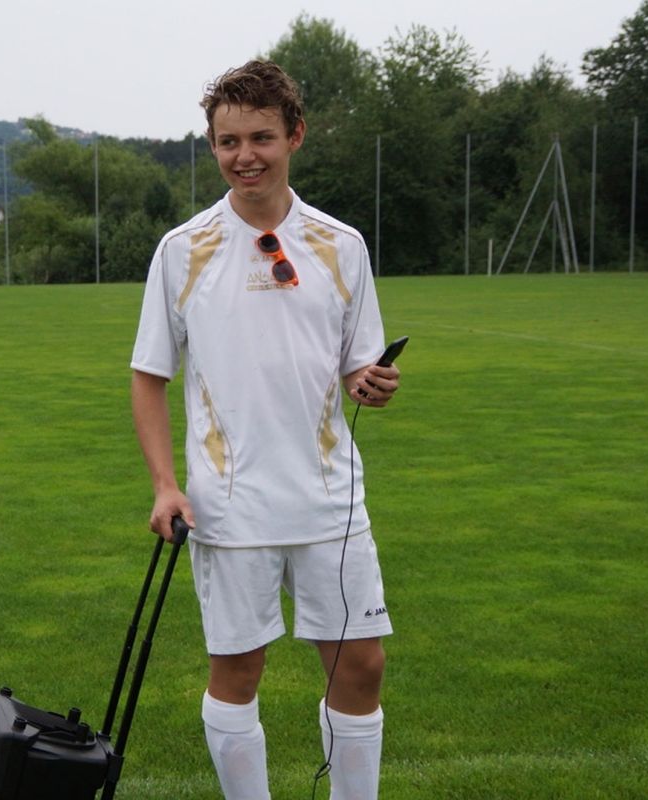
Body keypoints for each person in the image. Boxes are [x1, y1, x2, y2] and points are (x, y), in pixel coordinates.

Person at [130, 60, 400, 800]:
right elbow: (149, 375)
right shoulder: (182, 249)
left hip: (330, 500)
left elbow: (358, 363)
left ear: (295, 136)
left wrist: (370, 383)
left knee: (361, 666)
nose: (244, 155)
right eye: (228, 141)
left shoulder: (341, 244)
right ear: (213, 147)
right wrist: (165, 486)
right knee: (238, 670)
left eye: (260, 138)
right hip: (229, 504)